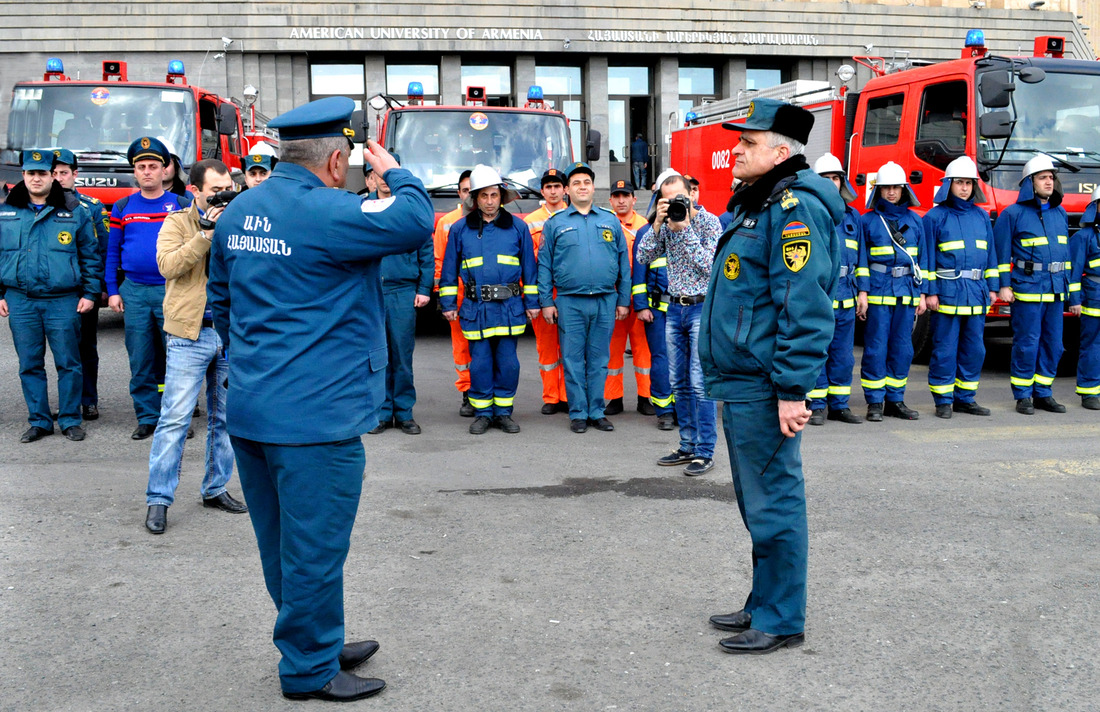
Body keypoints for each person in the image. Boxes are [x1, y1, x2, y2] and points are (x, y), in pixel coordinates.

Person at [208, 96, 434, 702]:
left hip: (254, 407)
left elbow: (222, 306)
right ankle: (309, 670)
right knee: (314, 548)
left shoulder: (239, 212)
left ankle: (316, 640)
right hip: (315, 417)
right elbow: (416, 221)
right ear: (337, 160)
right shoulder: (331, 210)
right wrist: (396, 170)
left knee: (284, 543)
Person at [700, 97, 843, 655]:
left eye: (749, 144)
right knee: (755, 501)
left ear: (781, 152)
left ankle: (783, 618)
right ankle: (764, 602)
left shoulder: (794, 209)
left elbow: (803, 306)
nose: (736, 151)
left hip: (765, 384)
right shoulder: (759, 203)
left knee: (775, 501)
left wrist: (792, 389)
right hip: (742, 380)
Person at [144, 159, 247, 535]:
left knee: (226, 418)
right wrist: (205, 234)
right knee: (175, 418)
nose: (224, 195)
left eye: (228, 187)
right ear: (195, 190)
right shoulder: (176, 222)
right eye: (216, 190)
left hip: (228, 332)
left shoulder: (240, 220)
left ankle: (216, 488)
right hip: (189, 333)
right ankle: (158, 499)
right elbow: (167, 266)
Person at [0, 149, 101, 442]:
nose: (36, 178)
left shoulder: (74, 210)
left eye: (42, 173)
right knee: (29, 364)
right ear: (23, 176)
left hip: (63, 299)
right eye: (31, 173)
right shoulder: (7, 212)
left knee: (69, 362)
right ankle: (39, 420)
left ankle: (70, 419)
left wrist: (91, 293)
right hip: (21, 299)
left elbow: (90, 255)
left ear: (52, 176)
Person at [440, 165, 539, 434]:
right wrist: (448, 304)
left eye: (493, 195)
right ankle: (483, 413)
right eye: (483, 196)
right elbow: (449, 270)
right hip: (476, 308)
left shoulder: (518, 227)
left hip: (509, 308)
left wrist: (532, 304)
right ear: (475, 198)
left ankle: (503, 413)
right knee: (481, 363)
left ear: (501, 196)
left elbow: (530, 270)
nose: (489, 201)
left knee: (508, 363)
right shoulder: (460, 229)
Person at [635, 173, 721, 476]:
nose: (674, 205)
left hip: (700, 309)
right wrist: (657, 224)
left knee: (700, 384)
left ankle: (705, 450)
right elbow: (644, 256)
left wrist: (683, 228)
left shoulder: (709, 223)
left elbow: (709, 266)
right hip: (674, 309)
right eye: (667, 200)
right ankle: (687, 444)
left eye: (679, 198)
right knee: (679, 383)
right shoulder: (665, 223)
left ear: (692, 194)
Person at [107, 137, 190, 439]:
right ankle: (147, 416)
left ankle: (176, 418)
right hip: (135, 292)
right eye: (141, 167)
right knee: (140, 358)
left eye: (153, 166)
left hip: (173, 290)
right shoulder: (123, 206)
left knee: (177, 359)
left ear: (164, 169)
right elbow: (113, 252)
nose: (147, 172)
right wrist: (113, 290)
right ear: (135, 171)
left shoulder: (182, 204)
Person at [538, 162, 630, 433]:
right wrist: (546, 301)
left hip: (605, 300)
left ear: (593, 187)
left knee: (601, 358)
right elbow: (544, 264)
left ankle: (597, 411)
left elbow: (623, 262)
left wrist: (623, 299)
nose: (582, 187)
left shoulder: (609, 220)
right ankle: (578, 412)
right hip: (570, 301)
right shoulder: (556, 224)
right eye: (576, 183)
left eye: (586, 183)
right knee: (573, 358)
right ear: (567, 190)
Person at [994, 155, 1080, 414]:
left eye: (1051, 177)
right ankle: (1023, 396)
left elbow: (1064, 256)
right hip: (1028, 289)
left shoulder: (1060, 212)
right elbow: (1001, 255)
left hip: (1055, 291)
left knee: (1054, 344)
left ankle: (1043, 392)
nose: (1049, 182)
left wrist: (1068, 291)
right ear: (1029, 183)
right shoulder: (1012, 214)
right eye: (1042, 177)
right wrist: (1004, 285)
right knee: (1027, 343)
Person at [922, 156, 1000, 419]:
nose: (965, 188)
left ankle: (966, 398)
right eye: (959, 183)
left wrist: (993, 287)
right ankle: (943, 400)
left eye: (968, 183)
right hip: (948, 292)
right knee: (945, 348)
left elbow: (991, 256)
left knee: (974, 349)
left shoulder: (980, 216)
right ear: (948, 185)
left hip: (977, 292)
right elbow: (927, 258)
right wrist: (930, 291)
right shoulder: (934, 217)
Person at [856, 161, 928, 421]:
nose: (891, 192)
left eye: (896, 187)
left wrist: (922, 292)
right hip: (877, 293)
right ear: (878, 190)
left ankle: (895, 400)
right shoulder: (868, 221)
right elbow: (861, 260)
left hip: (907, 293)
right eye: (886, 187)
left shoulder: (916, 221)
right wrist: (862, 292)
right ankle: (875, 402)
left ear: (904, 189)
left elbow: (924, 260)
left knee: (902, 348)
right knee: (876, 347)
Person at [368, 167, 434, 435]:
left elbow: (426, 251)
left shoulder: (409, 208)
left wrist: (425, 287)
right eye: (378, 175)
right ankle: (382, 412)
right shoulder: (364, 207)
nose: (383, 180)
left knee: (402, 355)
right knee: (377, 356)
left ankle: (405, 412)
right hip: (373, 292)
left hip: (403, 292)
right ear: (371, 178)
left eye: (388, 174)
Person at [51, 148, 110, 421]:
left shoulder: (91, 207)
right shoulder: (41, 207)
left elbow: (101, 250)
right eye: (54, 173)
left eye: (64, 173)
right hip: (54, 291)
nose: (58, 178)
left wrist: (100, 287)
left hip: (83, 288)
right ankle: (68, 403)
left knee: (85, 347)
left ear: (75, 174)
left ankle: (88, 400)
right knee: (62, 350)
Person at [807, 153, 863, 426]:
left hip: (848, 296)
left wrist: (862, 293)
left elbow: (861, 258)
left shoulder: (854, 217)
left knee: (843, 356)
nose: (832, 183)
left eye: (836, 178)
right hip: (820, 297)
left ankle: (839, 405)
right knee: (818, 352)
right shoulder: (807, 212)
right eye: (826, 178)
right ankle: (817, 404)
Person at [605, 179, 653, 416]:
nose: (621, 200)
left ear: (635, 199)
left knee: (643, 351)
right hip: (613, 299)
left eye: (626, 196)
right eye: (617, 196)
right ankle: (614, 398)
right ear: (610, 200)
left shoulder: (645, 226)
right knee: (612, 351)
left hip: (639, 300)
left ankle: (646, 397)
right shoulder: (604, 225)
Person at [524, 168, 569, 415]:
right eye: (548, 187)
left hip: (569, 292)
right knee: (547, 348)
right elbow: (527, 263)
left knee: (571, 348)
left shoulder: (574, 215)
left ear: (565, 189)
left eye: (557, 186)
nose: (553, 191)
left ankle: (567, 395)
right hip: (544, 292)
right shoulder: (530, 221)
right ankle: (551, 396)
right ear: (542, 191)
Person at [432, 169, 475, 417]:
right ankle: (467, 392)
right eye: (465, 190)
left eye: (473, 190)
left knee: (485, 346)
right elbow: (439, 262)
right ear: (459, 193)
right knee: (462, 348)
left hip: (483, 296)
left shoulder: (488, 220)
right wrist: (442, 297)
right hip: (458, 296)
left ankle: (485, 391)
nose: (469, 194)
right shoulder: (447, 223)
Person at [631, 219, 675, 430]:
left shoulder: (694, 227)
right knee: (661, 359)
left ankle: (682, 407)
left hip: (688, 307)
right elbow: (639, 274)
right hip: (657, 309)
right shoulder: (645, 232)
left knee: (688, 360)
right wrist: (641, 306)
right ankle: (664, 410)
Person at [1074, 186, 1100, 410]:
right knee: (1092, 346)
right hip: (1094, 299)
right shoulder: (1084, 237)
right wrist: (1074, 300)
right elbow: (1073, 273)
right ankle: (1089, 392)